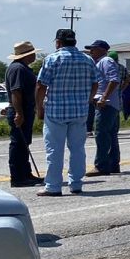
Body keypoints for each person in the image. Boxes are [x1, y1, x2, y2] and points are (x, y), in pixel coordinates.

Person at [34, 29, 100, 197]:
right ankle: (76, 183)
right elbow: (95, 84)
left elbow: (41, 85)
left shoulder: (52, 59)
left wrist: (39, 107)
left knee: (55, 150)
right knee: (77, 149)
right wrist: (87, 99)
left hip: (56, 111)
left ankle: (53, 186)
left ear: (58, 42)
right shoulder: (87, 60)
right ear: (75, 42)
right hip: (79, 111)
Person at [5, 41, 43, 187]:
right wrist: (19, 113)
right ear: (26, 55)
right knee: (18, 144)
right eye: (32, 53)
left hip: (25, 110)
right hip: (20, 110)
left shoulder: (22, 68)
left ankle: (26, 173)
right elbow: (16, 92)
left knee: (24, 143)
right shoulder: (18, 69)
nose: (34, 55)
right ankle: (17, 177)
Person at [86, 39, 121, 177]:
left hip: (106, 104)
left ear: (101, 49)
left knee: (101, 134)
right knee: (110, 135)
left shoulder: (106, 61)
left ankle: (101, 165)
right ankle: (113, 164)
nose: (91, 51)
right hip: (108, 104)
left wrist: (103, 97)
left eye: (93, 49)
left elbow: (114, 79)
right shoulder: (99, 63)